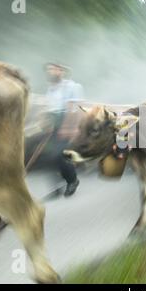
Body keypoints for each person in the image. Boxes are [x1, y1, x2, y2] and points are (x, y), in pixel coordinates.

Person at [45, 62, 85, 197]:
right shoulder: (50, 89)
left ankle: (73, 180)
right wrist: (48, 123)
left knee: (59, 155)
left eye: (55, 69)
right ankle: (56, 188)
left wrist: (68, 127)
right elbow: (50, 108)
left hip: (67, 120)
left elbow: (73, 108)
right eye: (49, 70)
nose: (51, 72)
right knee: (49, 155)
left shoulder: (72, 86)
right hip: (54, 122)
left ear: (62, 71)